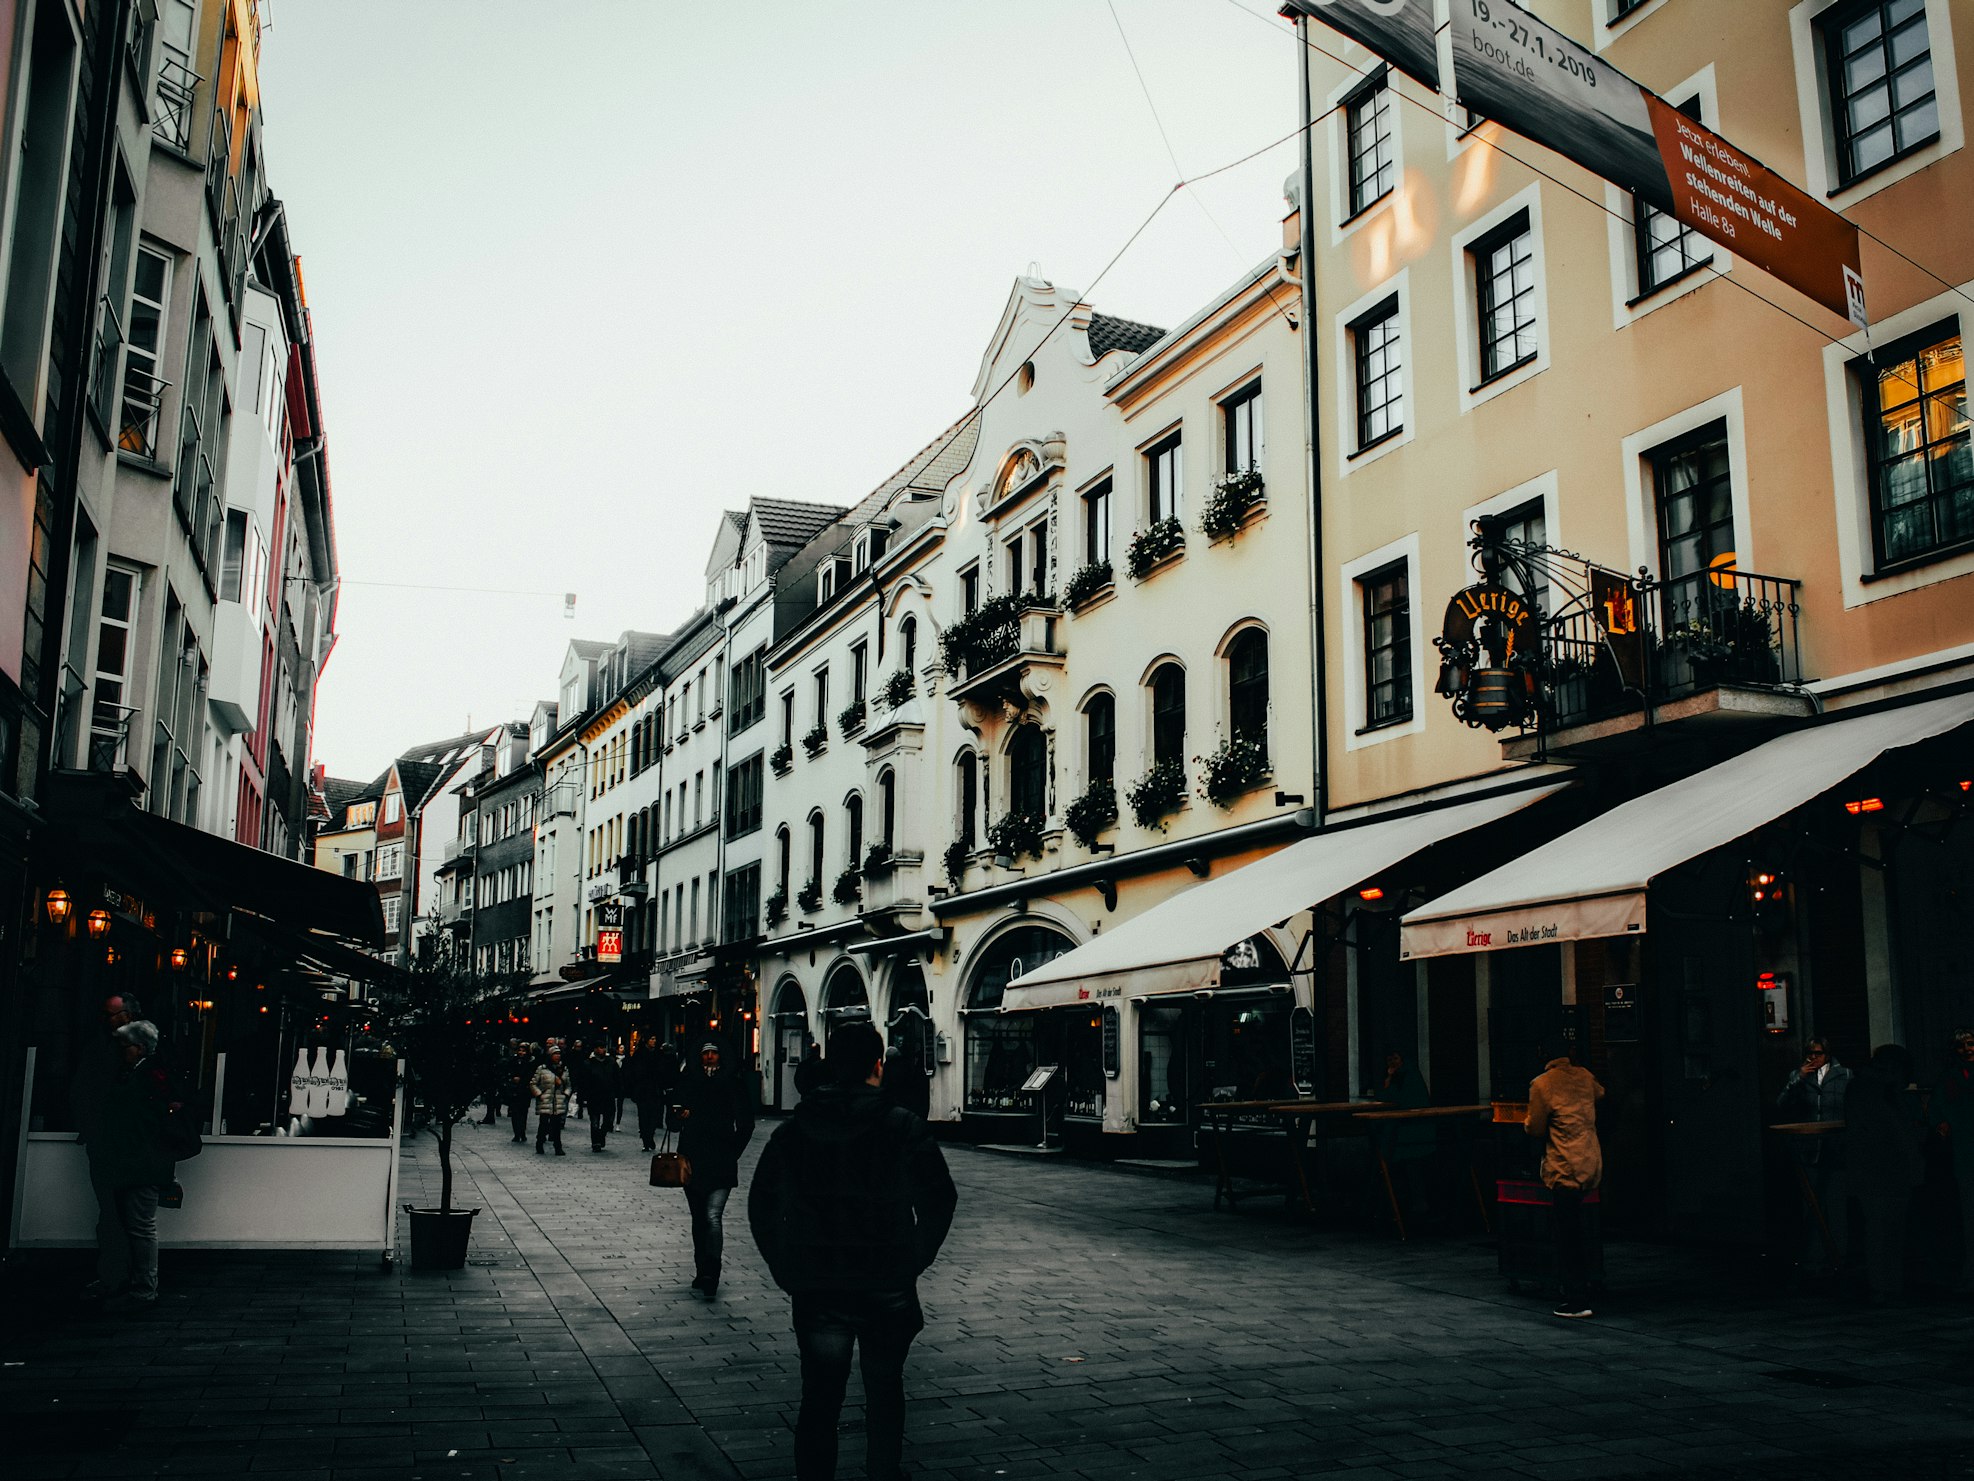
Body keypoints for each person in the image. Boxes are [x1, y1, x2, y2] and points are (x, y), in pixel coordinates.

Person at [749, 1021, 957, 1481]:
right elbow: (940, 1199)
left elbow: (762, 1204)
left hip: (819, 1283)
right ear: (878, 1066)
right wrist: (912, 1259)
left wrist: (785, 1266)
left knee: (820, 1397)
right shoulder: (903, 1126)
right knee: (885, 1390)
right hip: (886, 1282)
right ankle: (882, 1472)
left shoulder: (794, 1131)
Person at [87, 1021, 176, 1307]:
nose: (121, 1052)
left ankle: (144, 1286)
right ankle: (140, 1284)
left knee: (140, 1226)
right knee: (136, 1225)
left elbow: (142, 1120)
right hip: (140, 1161)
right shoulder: (148, 1074)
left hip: (139, 1161)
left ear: (138, 1048)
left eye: (125, 1046)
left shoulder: (146, 1076)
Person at [1525, 1048, 1605, 1320]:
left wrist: (1526, 1121)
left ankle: (1576, 1298)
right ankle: (1587, 1285)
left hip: (1564, 1165)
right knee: (1583, 1229)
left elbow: (1535, 1127)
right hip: (1590, 1160)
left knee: (1567, 1234)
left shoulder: (1542, 1083)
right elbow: (1601, 1094)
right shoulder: (1584, 1076)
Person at [672, 1038, 755, 1298]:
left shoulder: (732, 1083)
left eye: (714, 1054)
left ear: (721, 1058)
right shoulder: (688, 1080)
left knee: (712, 1216)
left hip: (719, 1159)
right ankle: (701, 1269)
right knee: (699, 1218)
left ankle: (712, 1272)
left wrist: (733, 1152)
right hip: (693, 1158)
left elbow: (746, 1123)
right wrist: (678, 1115)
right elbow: (672, 1121)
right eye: (705, 1053)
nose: (709, 1058)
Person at [1847, 1043, 1924, 1304]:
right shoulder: (1880, 1093)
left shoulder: (1869, 1089)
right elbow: (1895, 1134)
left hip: (1881, 1171)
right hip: (1883, 1171)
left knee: (1883, 1230)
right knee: (1885, 1231)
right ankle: (1886, 1284)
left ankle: (1886, 1284)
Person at [1774, 1036, 1851, 1279]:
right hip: (1809, 1148)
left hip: (1835, 1148)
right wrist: (1798, 1080)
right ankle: (1813, 1258)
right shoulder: (1799, 1077)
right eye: (1809, 1053)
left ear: (1827, 1055)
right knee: (1811, 1206)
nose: (1813, 1058)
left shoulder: (1845, 1075)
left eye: (1817, 1053)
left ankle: (1839, 1257)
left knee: (1836, 1206)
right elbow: (1782, 1104)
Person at [1935, 1028, 1974, 1294]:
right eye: (1963, 1047)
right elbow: (1939, 1110)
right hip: (1965, 1154)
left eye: (1971, 1045)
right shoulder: (1950, 1078)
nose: (1968, 1050)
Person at [1375, 1050, 1434, 1226]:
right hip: (1415, 1132)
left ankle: (1399, 1204)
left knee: (1398, 1164)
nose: (1392, 1062)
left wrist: (1387, 1082)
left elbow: (1388, 1098)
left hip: (1408, 1134)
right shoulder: (1411, 1074)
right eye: (1389, 1059)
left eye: (1395, 1058)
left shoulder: (1403, 1077)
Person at [626, 1033, 680, 1152]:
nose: (654, 1041)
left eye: (655, 1038)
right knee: (643, 1115)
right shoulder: (639, 1054)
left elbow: (665, 1071)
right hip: (642, 1090)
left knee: (654, 1115)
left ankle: (650, 1135)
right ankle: (646, 1139)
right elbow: (633, 1072)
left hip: (655, 1090)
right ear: (646, 1041)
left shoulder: (658, 1055)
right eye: (652, 1038)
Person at [577, 1043, 620, 1152]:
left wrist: (618, 1090)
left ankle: (602, 1135)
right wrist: (582, 1097)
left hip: (608, 1095)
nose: (603, 1050)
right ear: (595, 1049)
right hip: (594, 1096)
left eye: (604, 1048)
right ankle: (595, 1142)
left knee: (608, 1120)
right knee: (595, 1121)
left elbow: (617, 1077)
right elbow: (583, 1081)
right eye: (600, 1048)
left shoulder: (611, 1062)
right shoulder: (588, 1063)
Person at [532, 1046, 571, 1154]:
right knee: (543, 1124)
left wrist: (565, 1095)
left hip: (558, 1100)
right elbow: (533, 1083)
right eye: (555, 1054)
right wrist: (539, 1094)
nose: (557, 1056)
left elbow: (568, 1085)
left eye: (559, 1054)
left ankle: (558, 1146)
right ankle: (539, 1143)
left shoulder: (563, 1069)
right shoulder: (542, 1069)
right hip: (545, 1100)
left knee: (556, 1126)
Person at [505, 1044, 537, 1144]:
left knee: (523, 1112)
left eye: (524, 1051)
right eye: (520, 1050)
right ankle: (516, 1133)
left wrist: (522, 1080)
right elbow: (508, 1072)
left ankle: (522, 1132)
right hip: (514, 1090)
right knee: (514, 1112)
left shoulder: (530, 1062)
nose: (521, 1053)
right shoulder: (513, 1061)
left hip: (524, 1090)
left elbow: (531, 1075)